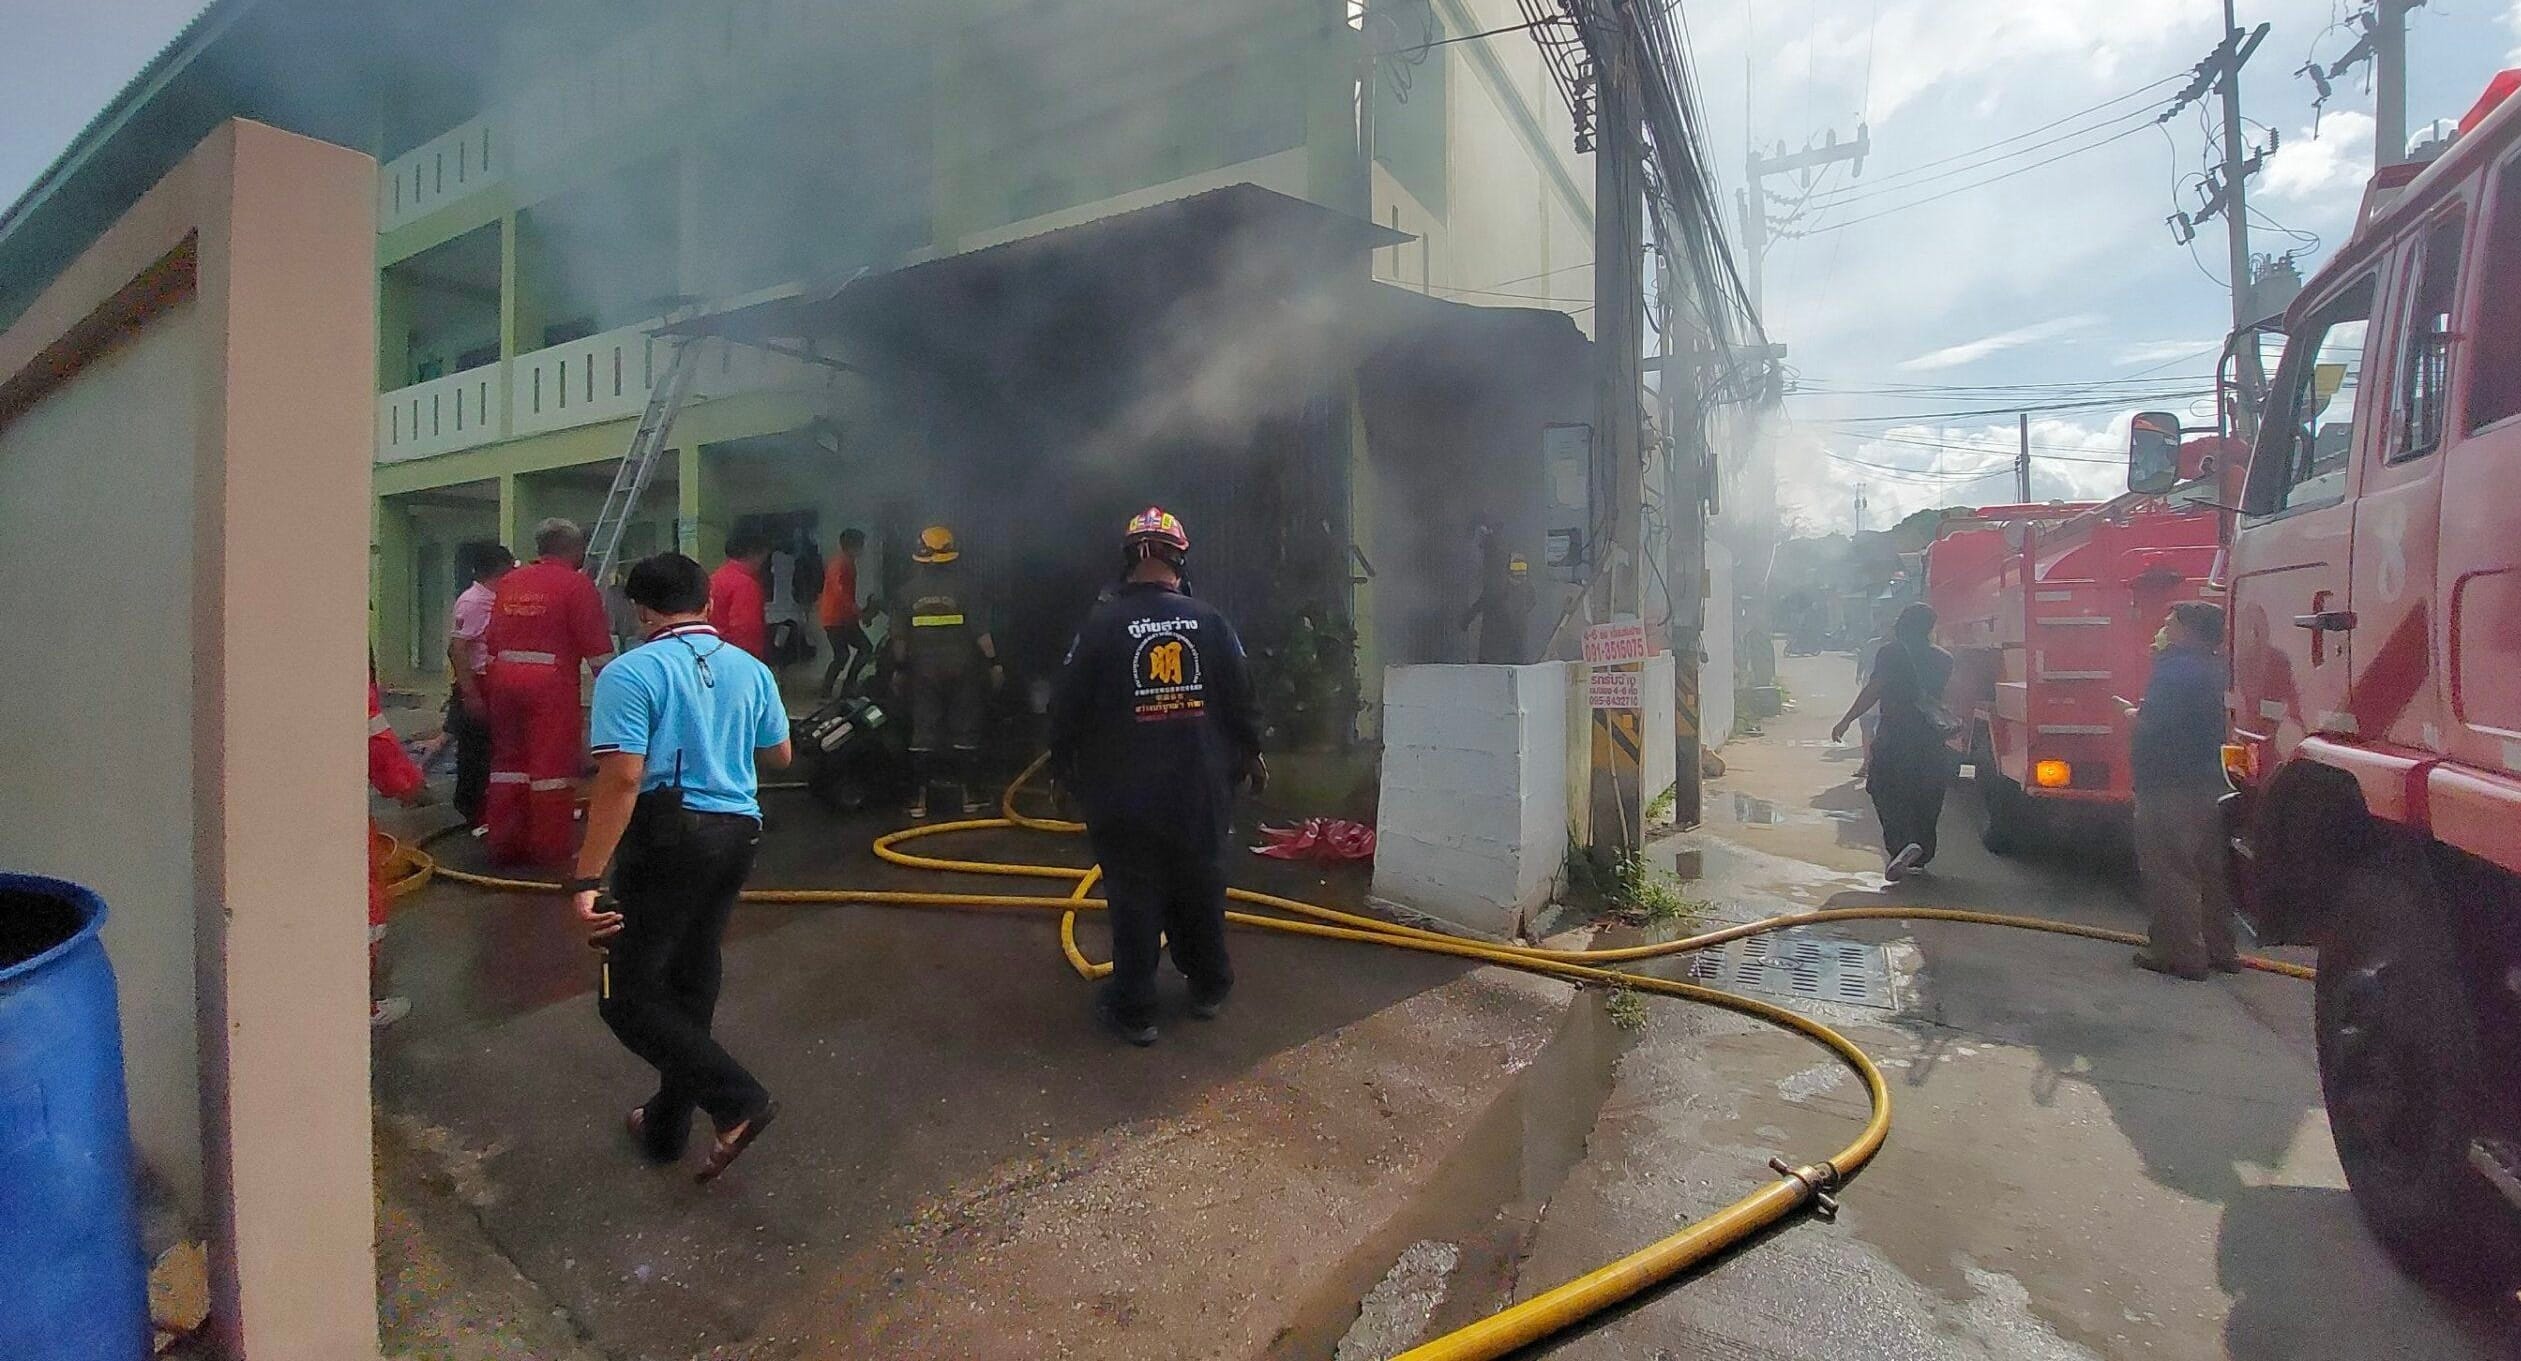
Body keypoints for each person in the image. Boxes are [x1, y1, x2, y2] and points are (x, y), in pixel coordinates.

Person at [570, 552, 791, 1182]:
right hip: (737, 836)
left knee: (628, 998)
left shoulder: (629, 674)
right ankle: (667, 1124)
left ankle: (737, 1101)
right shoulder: (750, 669)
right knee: (692, 975)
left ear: (640, 611)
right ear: (709, 603)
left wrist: (587, 878)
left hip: (667, 838)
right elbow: (779, 753)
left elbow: (622, 777)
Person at [1050, 507, 1265, 1047]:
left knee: (1135, 897)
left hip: (1125, 795)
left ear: (1130, 561)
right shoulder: (1211, 622)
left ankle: (1136, 1010)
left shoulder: (1099, 627)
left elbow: (1066, 707)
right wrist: (1252, 752)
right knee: (1201, 886)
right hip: (1200, 791)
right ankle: (1210, 987)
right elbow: (1242, 698)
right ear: (1179, 559)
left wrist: (1061, 767)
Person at [482, 518, 615, 866]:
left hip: (503, 680)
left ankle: (505, 841)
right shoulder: (575, 585)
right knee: (551, 770)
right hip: (550, 685)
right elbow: (598, 649)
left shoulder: (509, 582)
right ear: (574, 549)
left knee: (507, 765)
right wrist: (616, 690)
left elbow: (492, 638)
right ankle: (550, 848)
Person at [2123, 600, 2240, 980]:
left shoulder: (2174, 669)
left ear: (2189, 630)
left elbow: (2155, 722)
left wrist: (2132, 716)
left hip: (2167, 783)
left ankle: (2179, 955)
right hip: (2207, 782)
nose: (2164, 626)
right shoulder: (2217, 668)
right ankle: (2219, 950)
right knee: (2208, 870)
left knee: (2169, 867)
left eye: (2170, 621)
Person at [1830, 603, 1956, 884]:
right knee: (1926, 793)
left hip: (1897, 734)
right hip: (1933, 738)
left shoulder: (1891, 653)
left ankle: (1903, 844)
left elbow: (1874, 689)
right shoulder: (1945, 659)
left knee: (1881, 785)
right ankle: (1920, 853)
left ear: (1903, 624)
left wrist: (1847, 719)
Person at [892, 524, 1004, 818]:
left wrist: (900, 670)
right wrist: (994, 664)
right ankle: (971, 798)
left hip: (922, 672)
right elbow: (982, 633)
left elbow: (899, 640)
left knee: (923, 732)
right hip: (964, 670)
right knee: (965, 731)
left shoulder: (907, 592)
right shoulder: (968, 588)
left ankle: (918, 801)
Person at [368, 673, 430, 1028]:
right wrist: (407, 786)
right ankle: (357, 1005)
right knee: (364, 908)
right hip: (330, 812)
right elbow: (377, 743)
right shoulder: (336, 666)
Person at [446, 540, 515, 831]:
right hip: (476, 681)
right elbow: (458, 648)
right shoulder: (474, 601)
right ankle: (472, 810)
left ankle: (490, 808)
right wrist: (470, 693)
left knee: (493, 747)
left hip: (493, 680)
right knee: (475, 750)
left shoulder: (497, 598)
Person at [819, 528, 876, 698]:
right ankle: (835, 690)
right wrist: (858, 613)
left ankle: (841, 688)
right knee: (847, 654)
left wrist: (856, 613)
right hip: (835, 618)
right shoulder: (840, 563)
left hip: (842, 618)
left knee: (854, 652)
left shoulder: (846, 562)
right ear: (854, 546)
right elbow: (840, 592)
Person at [708, 526, 772, 661]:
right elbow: (746, 630)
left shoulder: (716, 577)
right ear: (753, 553)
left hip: (713, 652)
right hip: (737, 657)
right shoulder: (746, 584)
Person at [1463, 552, 1538, 664]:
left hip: (1510, 643)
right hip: (1497, 644)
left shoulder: (1525, 588)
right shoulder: (1498, 589)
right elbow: (1479, 605)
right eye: (1516, 568)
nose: (1519, 573)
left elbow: (1532, 602)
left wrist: (1464, 621)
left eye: (1521, 568)